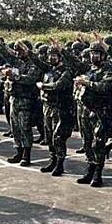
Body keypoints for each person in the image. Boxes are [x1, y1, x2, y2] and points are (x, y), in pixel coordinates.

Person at [74, 42, 112, 187]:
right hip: (86, 110)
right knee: (87, 142)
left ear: (103, 55)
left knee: (98, 143)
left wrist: (86, 83)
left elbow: (104, 87)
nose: (93, 56)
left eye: (96, 53)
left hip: (100, 111)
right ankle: (90, 169)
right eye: (92, 53)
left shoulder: (109, 70)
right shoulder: (89, 69)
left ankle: (98, 173)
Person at [36, 46, 74, 176]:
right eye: (50, 55)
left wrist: (43, 86)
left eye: (54, 55)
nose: (51, 58)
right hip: (47, 107)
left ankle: (59, 164)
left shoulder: (66, 72)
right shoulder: (49, 70)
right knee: (49, 135)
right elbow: (37, 62)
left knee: (58, 137)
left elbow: (58, 86)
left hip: (60, 108)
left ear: (60, 57)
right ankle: (53, 160)